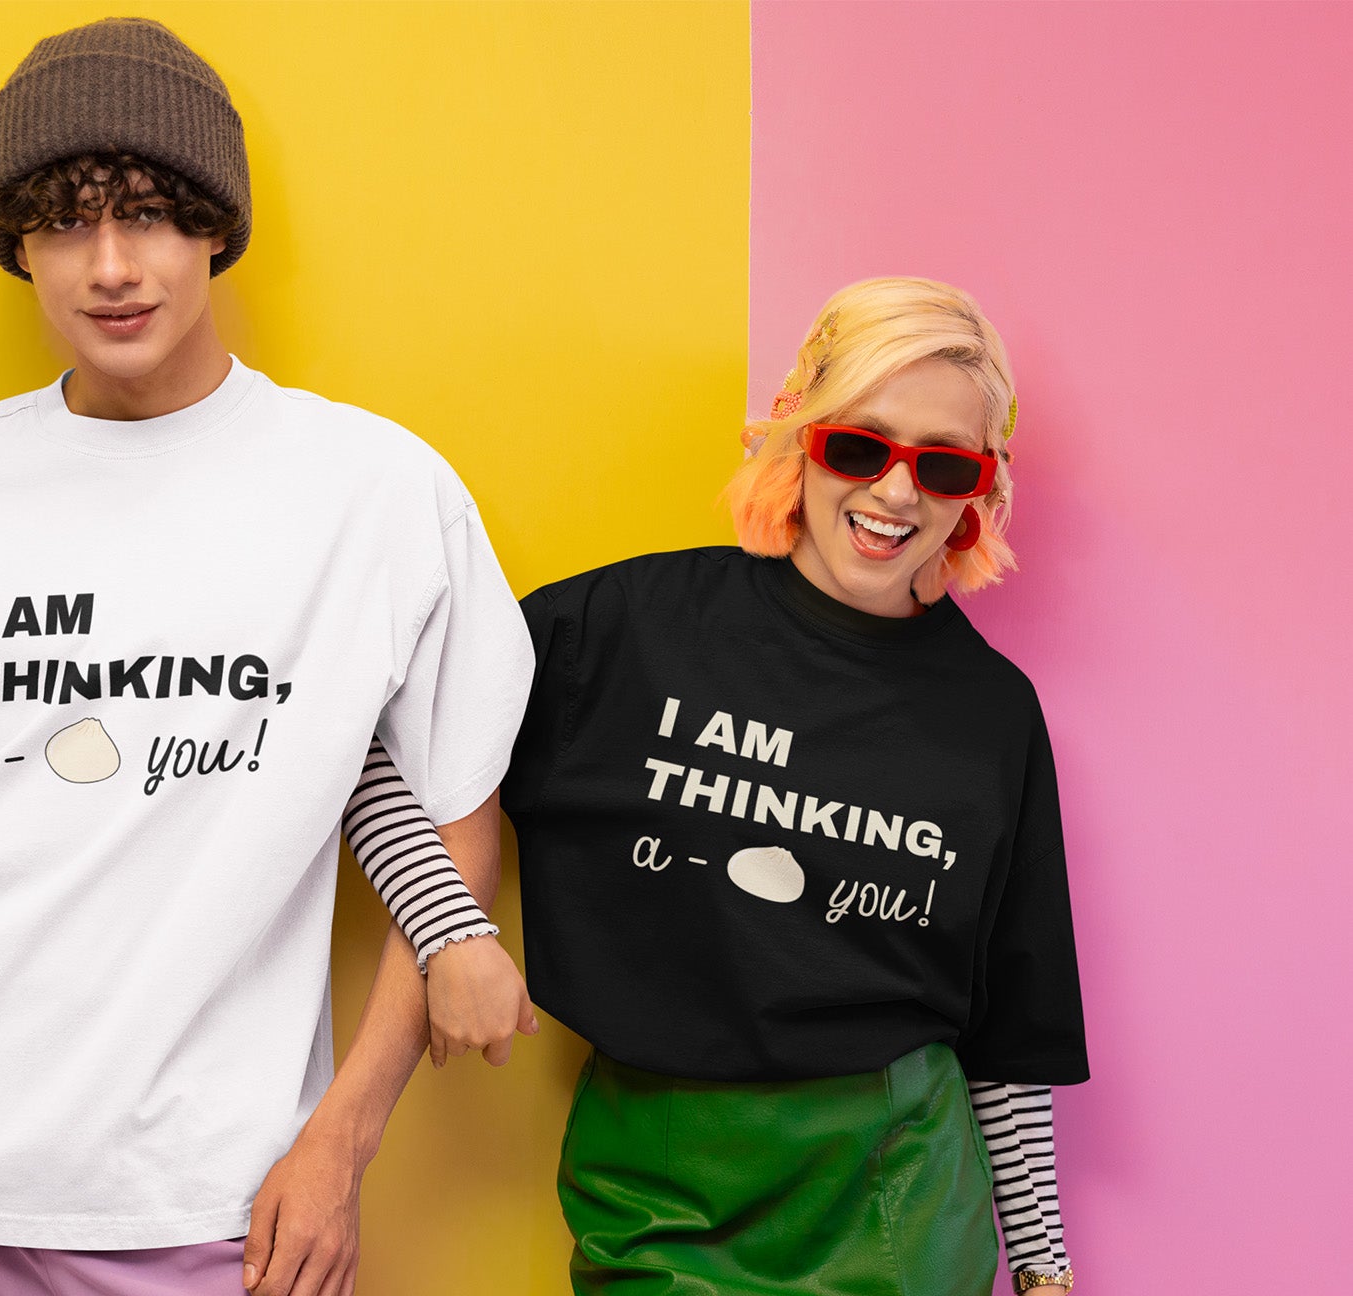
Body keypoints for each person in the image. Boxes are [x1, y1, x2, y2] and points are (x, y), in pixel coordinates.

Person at [0, 17, 531, 1296]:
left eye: (154, 214)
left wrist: (340, 1142)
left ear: (215, 228)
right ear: (18, 247)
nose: (112, 267)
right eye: (64, 222)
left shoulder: (374, 490)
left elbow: (453, 824)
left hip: (202, 1198)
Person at [365, 277, 1087, 1294]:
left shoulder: (991, 713)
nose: (893, 494)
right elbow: (372, 748)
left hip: (897, 1189)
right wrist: (449, 930)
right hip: (659, 1188)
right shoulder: (620, 632)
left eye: (942, 465)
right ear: (798, 433)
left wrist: (1046, 1271)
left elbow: (1008, 1031)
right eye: (857, 446)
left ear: (980, 489)